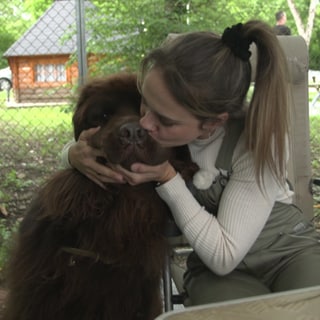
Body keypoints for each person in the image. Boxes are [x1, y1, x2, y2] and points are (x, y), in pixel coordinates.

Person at [61, 20, 320, 305]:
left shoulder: (259, 140)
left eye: (165, 120)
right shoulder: (163, 117)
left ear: (212, 124)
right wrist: (72, 154)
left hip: (287, 252)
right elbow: (100, 139)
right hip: (216, 270)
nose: (145, 124)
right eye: (144, 103)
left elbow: (225, 254)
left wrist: (168, 178)